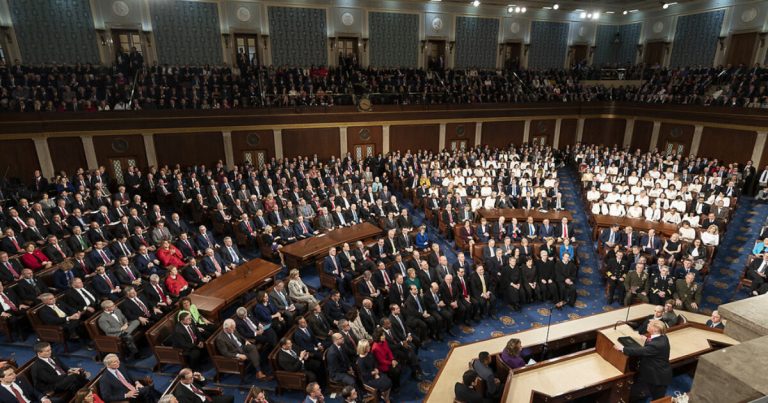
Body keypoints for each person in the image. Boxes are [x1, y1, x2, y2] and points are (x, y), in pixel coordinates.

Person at [614, 320, 673, 401]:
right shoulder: (662, 337)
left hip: (658, 377)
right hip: (654, 372)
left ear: (656, 329)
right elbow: (652, 344)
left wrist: (623, 348)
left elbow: (641, 351)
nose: (647, 324)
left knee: (658, 399)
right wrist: (646, 339)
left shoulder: (657, 344)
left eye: (650, 324)